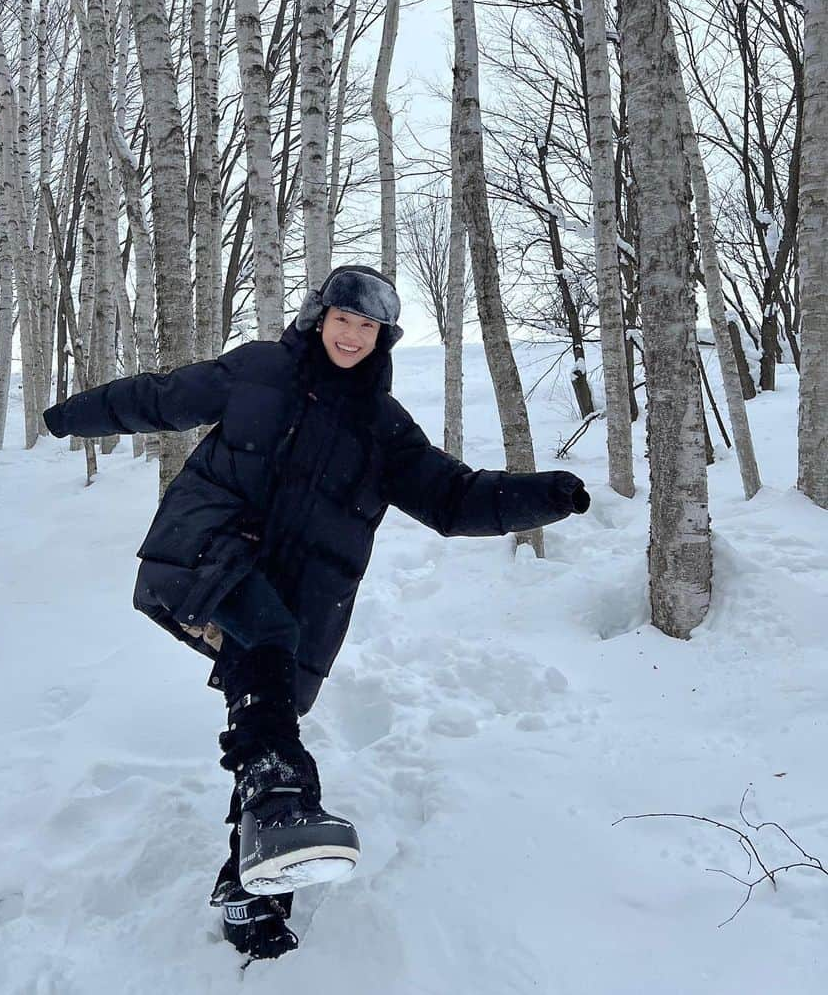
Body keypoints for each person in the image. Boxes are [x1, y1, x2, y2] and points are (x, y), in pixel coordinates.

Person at [43, 265, 590, 962]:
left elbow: (453, 499)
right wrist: (69, 416)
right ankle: (277, 799)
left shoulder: (384, 428)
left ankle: (255, 887)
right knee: (267, 653)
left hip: (299, 599)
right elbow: (159, 397)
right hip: (210, 551)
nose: (353, 336)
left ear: (382, 339)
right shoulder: (259, 371)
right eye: (344, 319)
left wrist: (545, 495)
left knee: (268, 698)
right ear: (318, 317)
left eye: (368, 327)